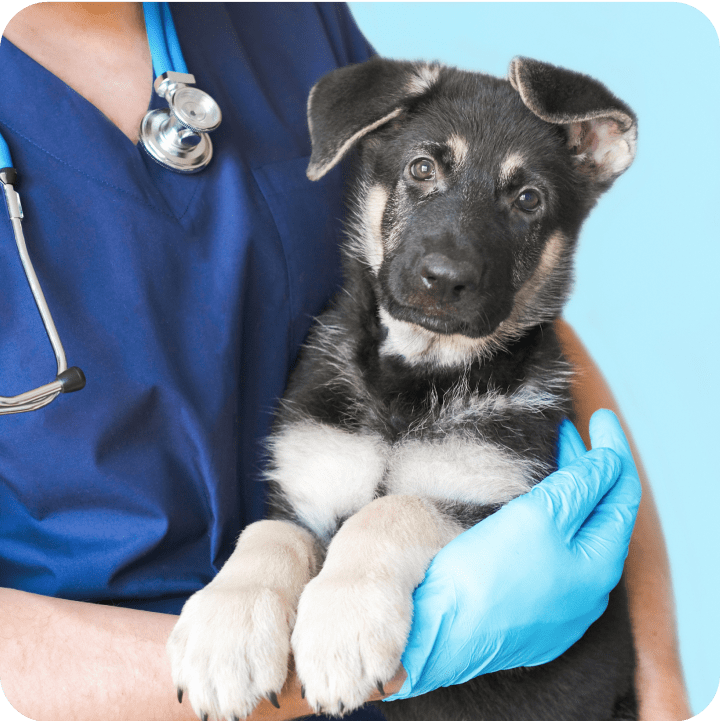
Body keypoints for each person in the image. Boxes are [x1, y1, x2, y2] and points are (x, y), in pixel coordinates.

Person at [0, 3, 690, 721]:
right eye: (424, 169)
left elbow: (526, 328)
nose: (449, 262)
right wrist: (391, 646)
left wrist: (663, 681)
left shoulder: (288, 19)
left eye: (523, 199)